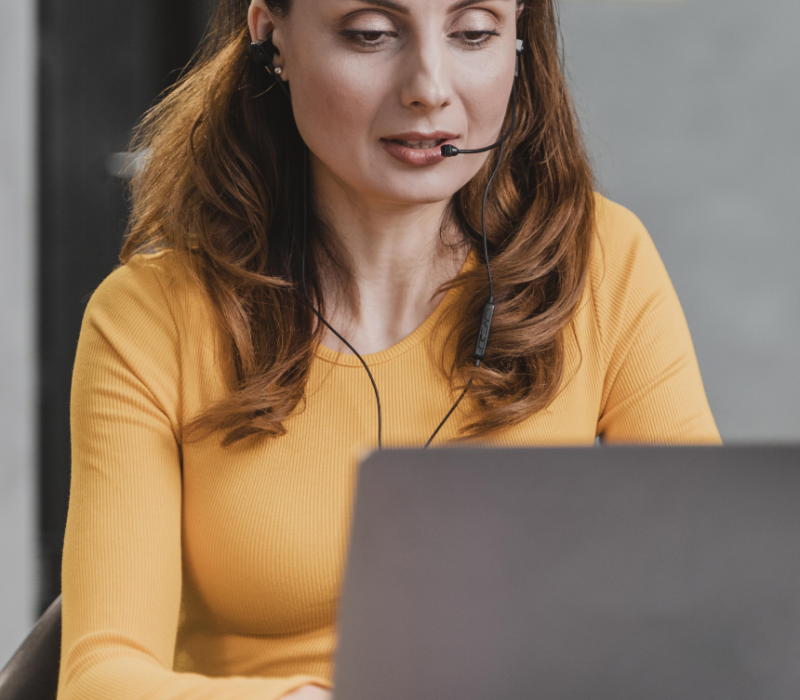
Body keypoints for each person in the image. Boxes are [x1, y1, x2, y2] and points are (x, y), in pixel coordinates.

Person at [56, 0, 722, 698]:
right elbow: (101, 679)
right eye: (371, 35)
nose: (430, 87)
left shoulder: (601, 263)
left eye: (473, 33)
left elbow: (712, 605)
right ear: (270, 35)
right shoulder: (150, 316)